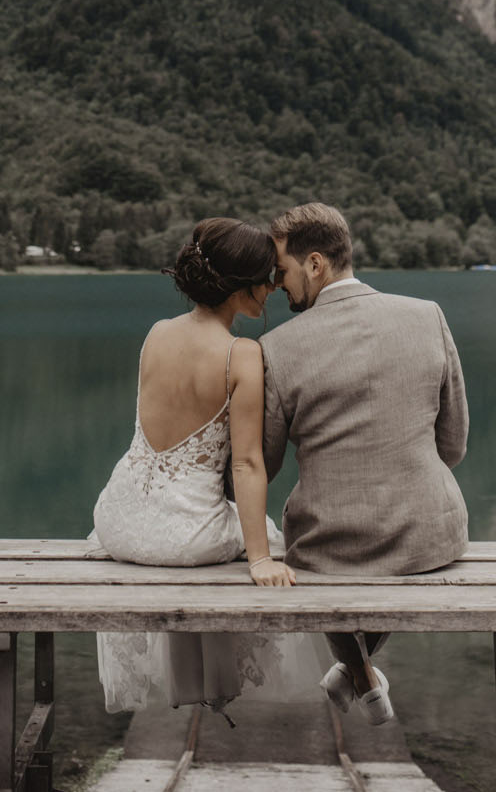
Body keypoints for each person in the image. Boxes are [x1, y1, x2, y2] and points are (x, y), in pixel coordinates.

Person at [90, 216, 322, 717]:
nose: (274, 287)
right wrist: (260, 560)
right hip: (184, 536)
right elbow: (246, 462)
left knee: (231, 528)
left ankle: (199, 682)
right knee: (277, 541)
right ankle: (224, 682)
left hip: (117, 521)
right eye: (267, 278)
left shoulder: (156, 333)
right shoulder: (241, 354)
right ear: (242, 287)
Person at [261, 202, 469, 726]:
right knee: (395, 543)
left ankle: (357, 674)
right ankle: (360, 675)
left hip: (329, 541)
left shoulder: (275, 347)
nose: (278, 285)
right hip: (429, 535)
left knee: (326, 555)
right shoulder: (428, 316)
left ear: (314, 265)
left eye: (282, 271)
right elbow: (454, 445)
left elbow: (264, 462)